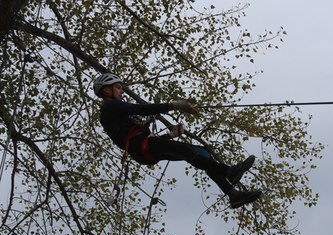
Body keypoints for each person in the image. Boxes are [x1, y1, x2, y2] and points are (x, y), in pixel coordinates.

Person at [93, 72, 262, 208]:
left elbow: (149, 141)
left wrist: (171, 135)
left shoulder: (120, 115)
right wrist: (173, 105)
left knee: (201, 152)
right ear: (106, 91)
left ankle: (233, 194)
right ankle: (228, 171)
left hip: (144, 148)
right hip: (141, 148)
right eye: (117, 87)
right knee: (186, 151)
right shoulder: (109, 106)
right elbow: (141, 109)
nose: (121, 91)